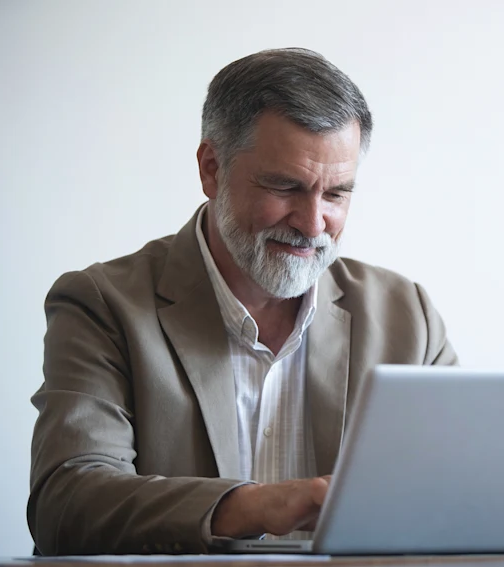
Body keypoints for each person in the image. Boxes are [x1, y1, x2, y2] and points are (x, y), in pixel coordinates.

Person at [28, 48, 458, 556]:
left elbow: (463, 492)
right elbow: (67, 501)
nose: (313, 222)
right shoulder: (104, 305)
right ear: (211, 169)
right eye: (285, 186)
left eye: (337, 195)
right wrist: (256, 506)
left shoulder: (408, 316)